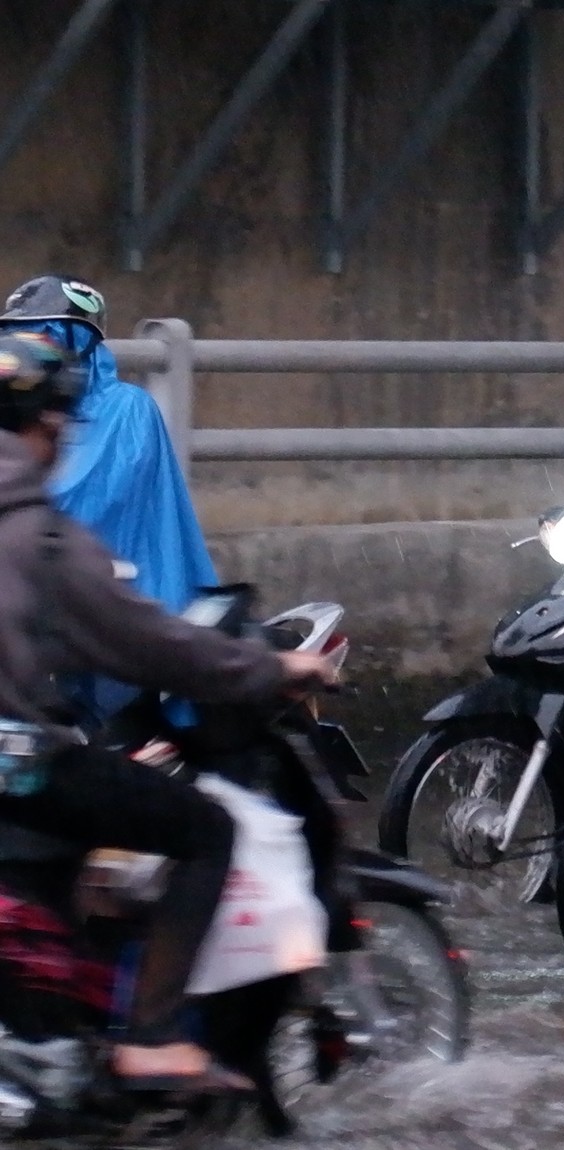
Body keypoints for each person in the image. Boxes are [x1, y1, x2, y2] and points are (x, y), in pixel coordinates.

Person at [0, 332, 339, 1090]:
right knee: (202, 829)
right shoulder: (38, 533)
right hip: (19, 765)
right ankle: (150, 1036)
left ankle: (57, 1025)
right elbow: (145, 641)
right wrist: (271, 666)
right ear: (46, 426)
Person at [0, 275, 219, 727]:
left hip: (114, 601)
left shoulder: (125, 409)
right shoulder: (22, 412)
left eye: (51, 335)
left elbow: (85, 499)